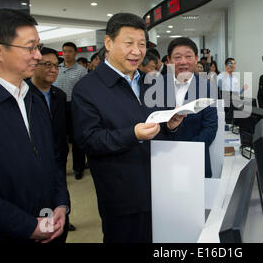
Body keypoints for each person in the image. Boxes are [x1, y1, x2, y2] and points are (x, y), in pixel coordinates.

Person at [72, 13, 182, 243]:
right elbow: (89, 140)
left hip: (160, 187)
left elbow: (157, 126)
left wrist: (169, 125)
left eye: (141, 44)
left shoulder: (151, 81)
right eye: (129, 43)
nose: (137, 51)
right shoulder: (87, 88)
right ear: (109, 43)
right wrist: (132, 134)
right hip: (122, 195)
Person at [0, 8, 70, 243]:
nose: (38, 56)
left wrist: (61, 204)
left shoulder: (34, 97)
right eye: (30, 48)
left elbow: (54, 158)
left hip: (51, 225)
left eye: (38, 47)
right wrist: (27, 226)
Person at [28, 46, 71, 240]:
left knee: (60, 200)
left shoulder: (59, 95)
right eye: (47, 65)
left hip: (58, 159)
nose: (53, 69)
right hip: (36, 163)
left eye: (56, 66)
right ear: (34, 66)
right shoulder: (25, 96)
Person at [165, 37, 218, 178]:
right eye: (177, 57)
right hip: (164, 159)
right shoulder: (156, 86)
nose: (183, 61)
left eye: (188, 56)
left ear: (196, 59)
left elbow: (211, 127)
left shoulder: (207, 88)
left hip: (197, 160)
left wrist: (188, 150)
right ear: (169, 61)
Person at [54, 41, 88, 180]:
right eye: (64, 51)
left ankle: (78, 168)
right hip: (58, 106)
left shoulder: (81, 70)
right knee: (60, 139)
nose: (66, 54)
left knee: (76, 139)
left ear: (75, 53)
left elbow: (85, 91)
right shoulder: (57, 68)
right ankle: (60, 169)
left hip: (75, 106)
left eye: (69, 51)